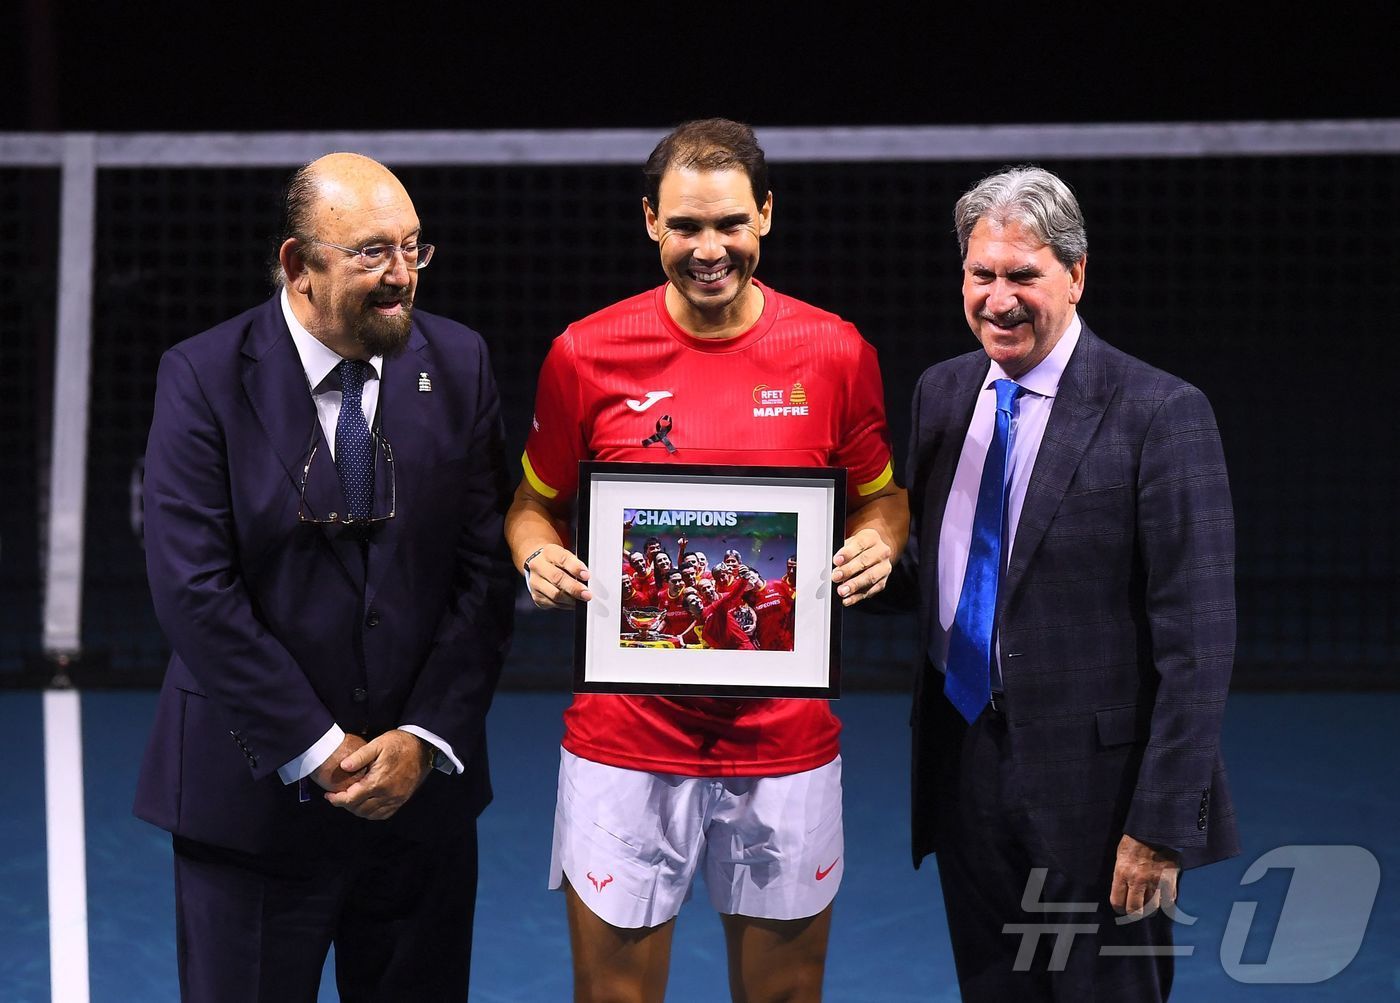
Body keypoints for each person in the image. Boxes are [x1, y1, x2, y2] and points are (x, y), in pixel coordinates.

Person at [505, 118, 907, 1002]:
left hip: (785, 740)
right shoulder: (584, 354)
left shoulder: (836, 353)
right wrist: (537, 557)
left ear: (765, 213)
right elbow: (534, 506)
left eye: (730, 223)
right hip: (625, 738)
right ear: (650, 221)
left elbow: (883, 491)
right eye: (685, 226)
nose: (709, 248)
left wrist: (881, 539)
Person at [133, 152, 514, 1002]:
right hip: (253, 809)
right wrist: (318, 747)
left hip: (421, 809)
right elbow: (194, 588)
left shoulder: (460, 362)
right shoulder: (199, 376)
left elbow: (483, 573)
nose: (402, 276)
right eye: (373, 253)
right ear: (298, 266)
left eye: (415, 249)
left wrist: (424, 737)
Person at [903, 166, 1238, 999]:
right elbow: (942, 568)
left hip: (1100, 795)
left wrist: (1160, 825)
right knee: (996, 986)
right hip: (966, 763)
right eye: (983, 274)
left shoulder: (1160, 412)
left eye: (1024, 274)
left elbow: (1198, 641)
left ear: (1077, 274)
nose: (999, 298)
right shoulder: (941, 394)